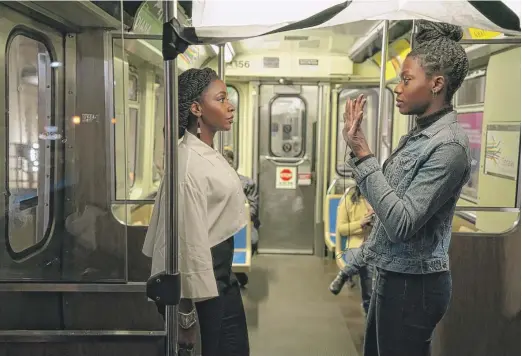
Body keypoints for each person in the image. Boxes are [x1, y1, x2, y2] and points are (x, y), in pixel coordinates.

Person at [342, 20, 471, 356]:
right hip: (394, 273)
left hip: (415, 286)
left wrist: (363, 153)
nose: (397, 88)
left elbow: (401, 224)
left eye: (406, 79)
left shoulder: (448, 148)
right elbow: (395, 207)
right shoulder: (418, 136)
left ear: (437, 83)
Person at [142, 68, 250, 356]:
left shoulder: (206, 152)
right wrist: (186, 315)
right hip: (204, 286)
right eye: (221, 98)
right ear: (196, 108)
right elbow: (186, 245)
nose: (230, 105)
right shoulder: (188, 165)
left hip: (222, 278)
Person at [328, 185, 375, 315]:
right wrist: (360, 224)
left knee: (367, 260)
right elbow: (341, 229)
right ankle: (368, 310)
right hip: (355, 246)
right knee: (366, 264)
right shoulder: (350, 200)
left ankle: (343, 275)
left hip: (377, 247)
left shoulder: (381, 201)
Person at [223, 148, 260, 288]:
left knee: (252, 239)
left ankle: (237, 273)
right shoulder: (212, 184)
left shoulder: (247, 184)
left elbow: (252, 210)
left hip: (242, 224)